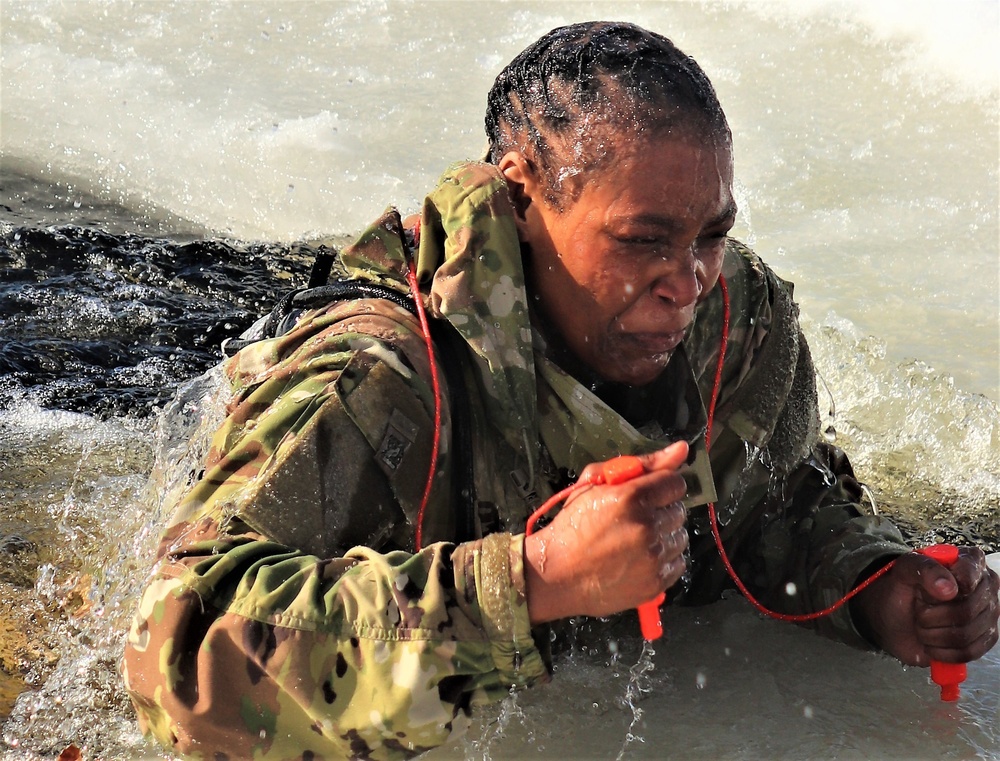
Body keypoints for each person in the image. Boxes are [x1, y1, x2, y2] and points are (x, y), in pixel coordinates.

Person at [122, 21, 999, 760]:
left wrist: (874, 585)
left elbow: (773, 504)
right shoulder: (375, 379)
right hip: (135, 357)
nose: (686, 281)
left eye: (712, 234)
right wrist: (534, 581)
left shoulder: (739, 317)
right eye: (643, 239)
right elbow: (173, 649)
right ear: (519, 198)